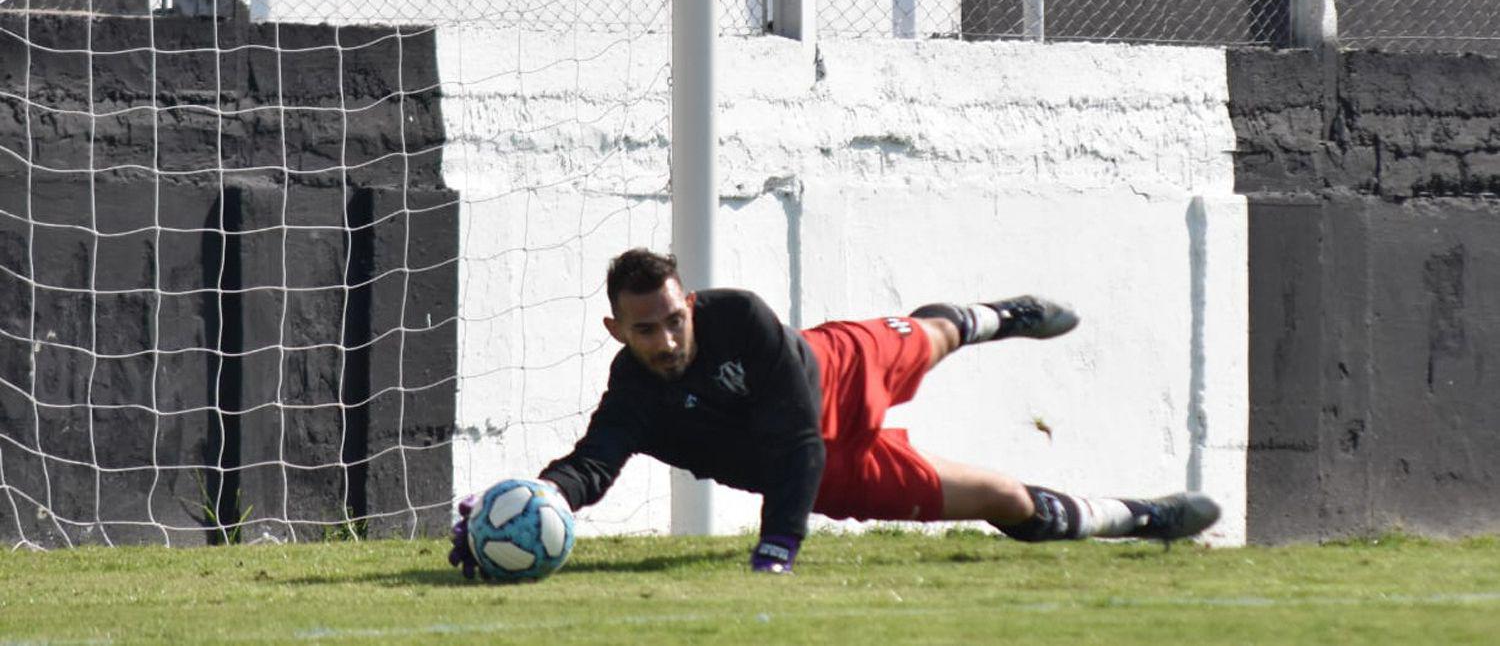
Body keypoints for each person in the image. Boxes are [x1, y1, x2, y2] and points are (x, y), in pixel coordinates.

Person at [450, 247, 1219, 577]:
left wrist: (778, 546)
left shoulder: (743, 319)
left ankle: (995, 314)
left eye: (675, 317)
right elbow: (595, 461)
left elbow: (792, 437)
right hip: (827, 468)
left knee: (933, 335)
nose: (667, 337)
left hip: (838, 372)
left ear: (690, 302)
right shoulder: (633, 392)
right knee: (1000, 500)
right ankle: (1140, 518)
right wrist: (541, 499)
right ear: (618, 331)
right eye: (646, 329)